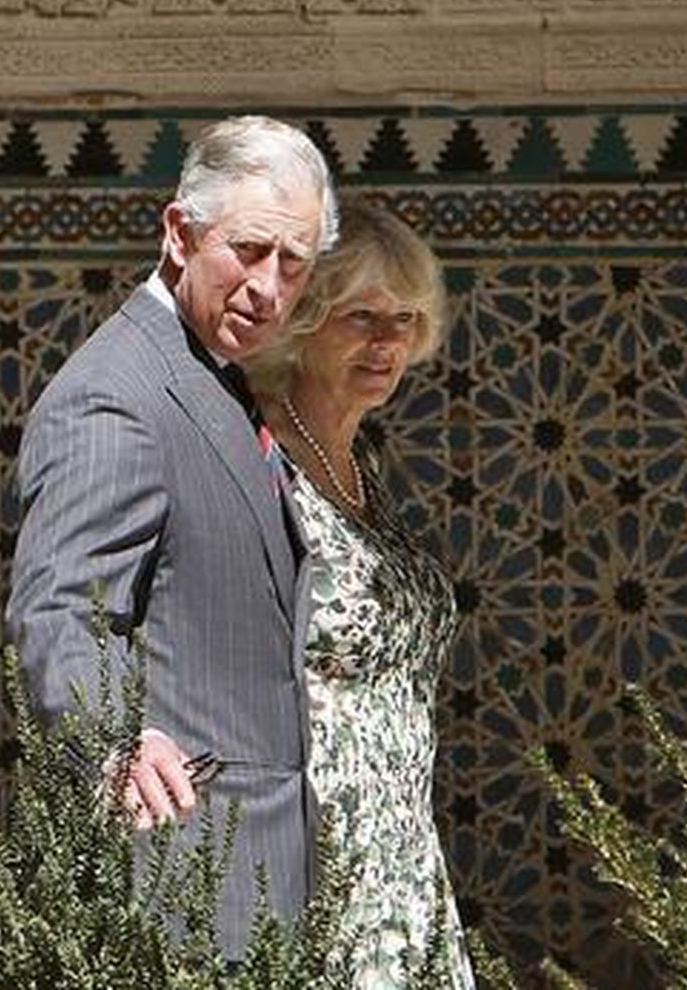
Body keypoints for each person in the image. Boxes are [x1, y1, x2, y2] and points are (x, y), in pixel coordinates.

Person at [6, 114, 337, 958]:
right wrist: (112, 741)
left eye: (293, 263)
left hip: (259, 872)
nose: (268, 287)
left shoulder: (209, 372)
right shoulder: (115, 395)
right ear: (180, 234)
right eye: (249, 251)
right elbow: (61, 609)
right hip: (185, 877)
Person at [245, 195, 475, 989]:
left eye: (405, 319)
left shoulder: (358, 464)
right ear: (302, 322)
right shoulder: (256, 458)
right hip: (311, 855)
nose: (387, 343)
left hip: (400, 855)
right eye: (361, 317)